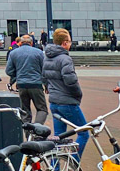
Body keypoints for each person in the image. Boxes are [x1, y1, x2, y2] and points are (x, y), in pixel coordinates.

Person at [44, 28, 87, 160]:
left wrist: (48, 88)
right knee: (84, 132)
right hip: (67, 102)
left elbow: (43, 76)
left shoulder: (46, 57)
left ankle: (54, 167)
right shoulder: (65, 59)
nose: (70, 44)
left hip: (54, 102)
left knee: (58, 137)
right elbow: (71, 81)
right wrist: (78, 95)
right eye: (69, 41)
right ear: (64, 43)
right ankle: (73, 162)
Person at [6, 34, 48, 124]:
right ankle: (37, 130)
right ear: (31, 43)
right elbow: (44, 71)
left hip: (21, 85)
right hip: (36, 84)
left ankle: (28, 134)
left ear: (20, 43)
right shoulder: (39, 52)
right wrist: (46, 85)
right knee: (42, 109)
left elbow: (8, 71)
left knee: (25, 111)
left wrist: (18, 75)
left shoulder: (13, 53)